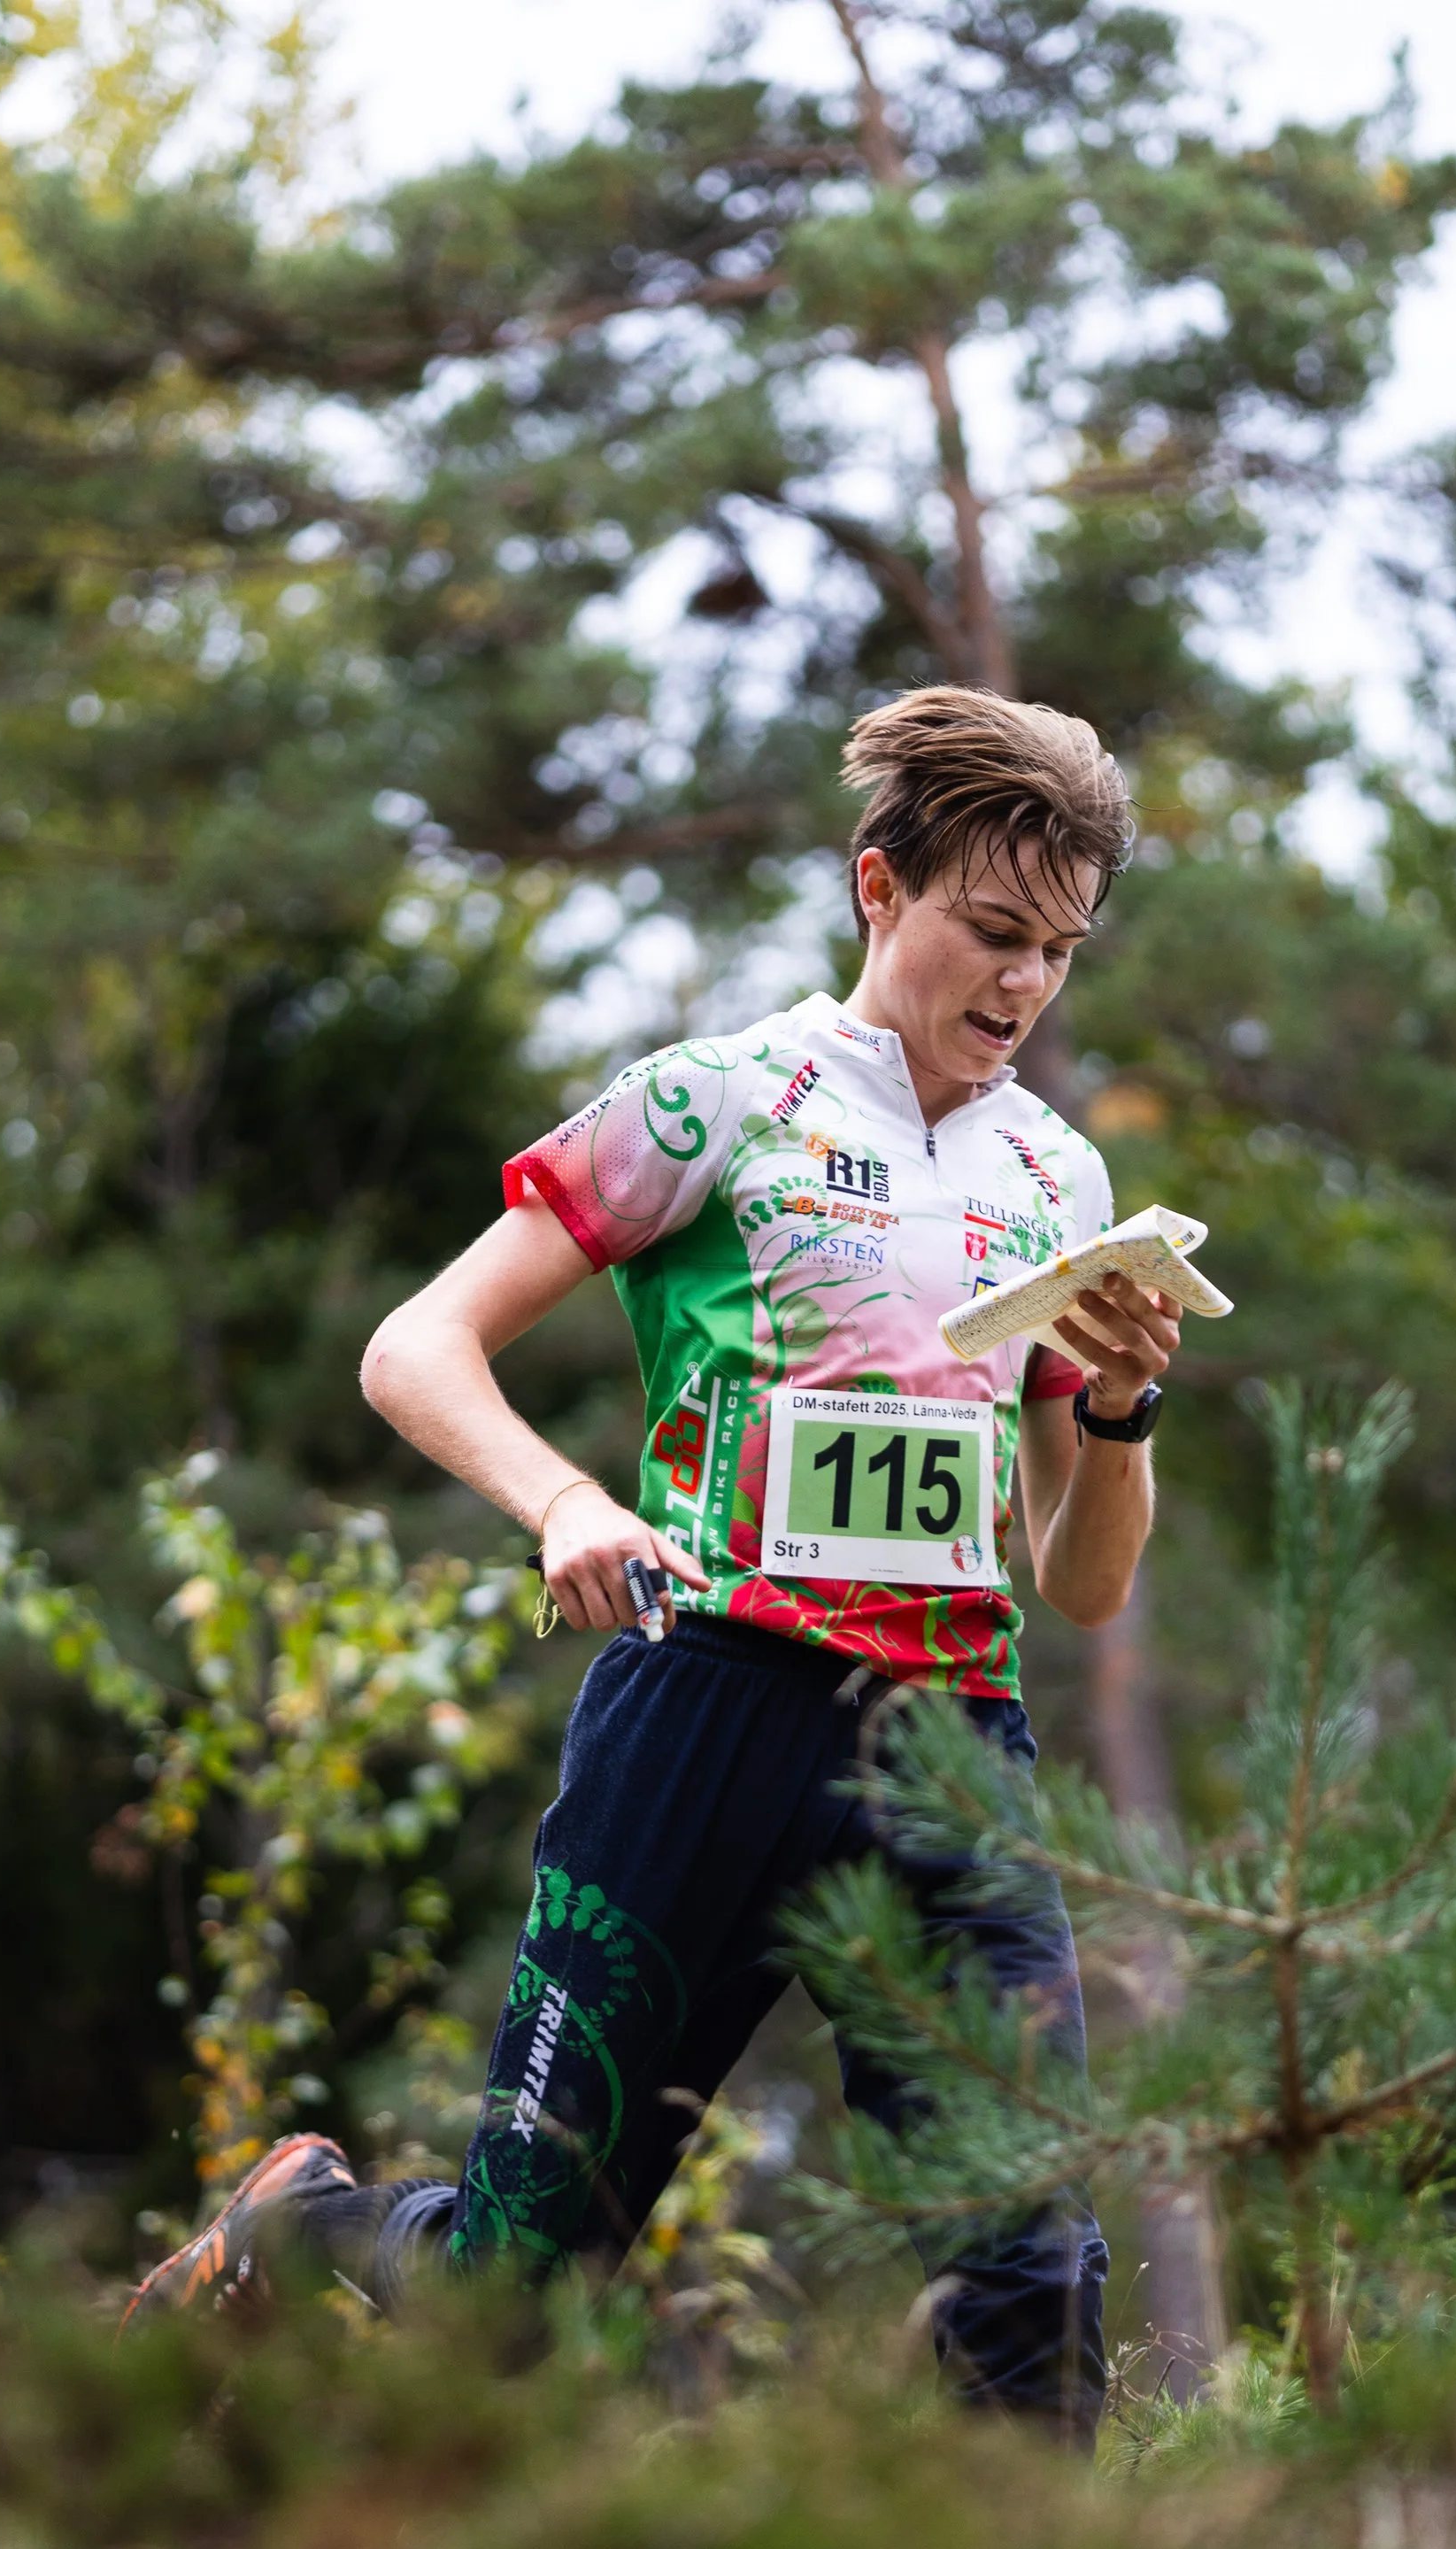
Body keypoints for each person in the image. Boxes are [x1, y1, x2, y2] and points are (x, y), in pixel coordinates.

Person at [122, 686, 1185, 2433]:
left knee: (1031, 2262)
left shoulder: (1059, 1179)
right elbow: (415, 1347)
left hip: (948, 1744)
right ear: (875, 888)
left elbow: (1079, 1583)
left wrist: (1126, 1410)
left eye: (1056, 952)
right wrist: (560, 1503)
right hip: (704, 1713)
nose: (1018, 986)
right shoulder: (713, 1103)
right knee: (518, 2293)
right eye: (989, 931)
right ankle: (298, 2221)